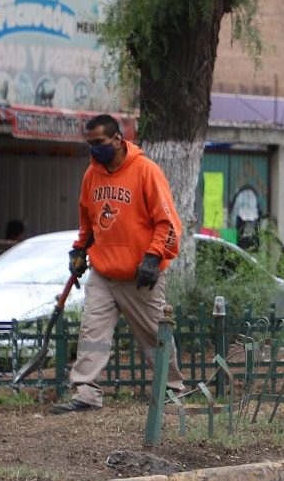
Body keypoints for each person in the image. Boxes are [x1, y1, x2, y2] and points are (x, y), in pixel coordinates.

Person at [52, 115, 189, 414]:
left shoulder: (145, 171)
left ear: (117, 139)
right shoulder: (92, 175)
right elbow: (87, 223)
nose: (94, 150)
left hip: (140, 273)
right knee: (92, 332)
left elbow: (167, 223)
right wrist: (78, 252)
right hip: (103, 272)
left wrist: (154, 257)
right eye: (90, 144)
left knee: (154, 335)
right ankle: (86, 394)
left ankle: (173, 390)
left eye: (99, 143)